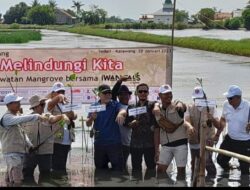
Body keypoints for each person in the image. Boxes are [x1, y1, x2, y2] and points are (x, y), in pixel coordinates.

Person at [0, 93, 45, 187]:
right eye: (16, 102)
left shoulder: (16, 116)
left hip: (18, 153)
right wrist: (36, 116)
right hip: (12, 155)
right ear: (8, 105)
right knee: (17, 181)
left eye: (19, 102)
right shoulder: (7, 118)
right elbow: (23, 119)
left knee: (10, 180)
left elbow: (23, 133)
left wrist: (30, 145)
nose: (19, 104)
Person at [22, 95, 69, 185]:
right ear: (35, 107)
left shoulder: (47, 115)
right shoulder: (26, 118)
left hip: (45, 152)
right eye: (42, 104)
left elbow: (52, 119)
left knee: (46, 176)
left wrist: (62, 116)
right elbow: (22, 135)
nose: (44, 106)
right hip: (30, 152)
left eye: (44, 104)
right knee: (27, 175)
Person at [153, 84, 195, 181]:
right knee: (160, 171)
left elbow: (183, 107)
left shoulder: (177, 105)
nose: (168, 96)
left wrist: (181, 104)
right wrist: (157, 150)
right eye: (165, 94)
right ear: (160, 95)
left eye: (170, 93)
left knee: (181, 173)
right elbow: (156, 131)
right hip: (166, 145)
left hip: (180, 144)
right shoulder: (157, 108)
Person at [86, 84, 127, 172]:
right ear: (99, 95)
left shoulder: (115, 104)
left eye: (109, 93)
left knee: (118, 170)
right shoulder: (94, 106)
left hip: (114, 144)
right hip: (99, 144)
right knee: (100, 171)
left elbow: (123, 110)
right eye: (105, 93)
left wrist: (121, 113)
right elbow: (88, 124)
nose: (108, 95)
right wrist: (91, 118)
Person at [185, 86, 221, 179]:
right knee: (194, 163)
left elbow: (219, 126)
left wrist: (212, 118)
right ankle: (195, 181)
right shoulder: (189, 107)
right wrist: (189, 126)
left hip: (207, 140)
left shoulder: (212, 107)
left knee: (207, 162)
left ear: (204, 97)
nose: (198, 100)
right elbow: (186, 120)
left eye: (200, 98)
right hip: (194, 140)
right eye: (196, 98)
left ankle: (211, 181)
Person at [124, 83, 158, 179]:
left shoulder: (152, 105)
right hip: (135, 144)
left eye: (145, 91)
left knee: (151, 170)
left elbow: (158, 106)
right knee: (136, 170)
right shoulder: (131, 107)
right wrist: (131, 124)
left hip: (149, 144)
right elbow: (126, 123)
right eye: (140, 91)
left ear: (148, 93)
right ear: (136, 93)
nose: (143, 93)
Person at [217, 85, 250, 178]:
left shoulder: (248, 107)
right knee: (220, 160)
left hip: (245, 142)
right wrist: (219, 131)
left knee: (245, 171)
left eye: (231, 98)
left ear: (238, 98)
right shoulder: (226, 105)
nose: (229, 100)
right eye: (228, 98)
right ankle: (229, 172)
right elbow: (223, 118)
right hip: (230, 139)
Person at [45, 82, 77, 176]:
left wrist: (72, 114)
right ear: (52, 93)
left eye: (62, 91)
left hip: (67, 140)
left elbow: (74, 116)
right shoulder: (49, 103)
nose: (61, 94)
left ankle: (62, 180)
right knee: (56, 167)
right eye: (58, 92)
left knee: (62, 165)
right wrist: (58, 98)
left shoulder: (66, 103)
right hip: (56, 140)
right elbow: (50, 104)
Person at [112, 76, 132, 171]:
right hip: (116, 142)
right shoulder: (116, 105)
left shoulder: (133, 107)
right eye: (121, 94)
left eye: (126, 94)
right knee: (116, 166)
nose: (124, 96)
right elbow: (113, 94)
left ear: (130, 96)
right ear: (118, 96)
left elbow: (130, 123)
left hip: (127, 143)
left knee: (123, 165)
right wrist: (119, 81)